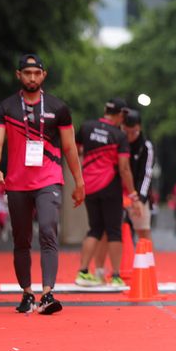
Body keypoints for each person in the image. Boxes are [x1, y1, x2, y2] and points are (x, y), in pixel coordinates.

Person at [0, 54, 85, 314]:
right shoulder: (6, 107)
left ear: (44, 75)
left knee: (47, 229)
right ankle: (27, 293)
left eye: (36, 73)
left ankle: (47, 293)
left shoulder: (58, 108)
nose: (32, 77)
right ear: (18, 75)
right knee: (21, 239)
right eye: (27, 73)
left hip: (48, 179)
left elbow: (69, 147)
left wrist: (79, 181)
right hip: (17, 182)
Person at [74, 98, 138, 287]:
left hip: (89, 185)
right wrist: (132, 193)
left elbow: (74, 151)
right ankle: (116, 276)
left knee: (94, 229)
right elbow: (124, 168)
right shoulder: (119, 136)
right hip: (110, 186)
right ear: (120, 114)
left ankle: (83, 272)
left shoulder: (86, 127)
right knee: (114, 231)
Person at [122, 109, 154, 240]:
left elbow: (147, 174)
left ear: (139, 127)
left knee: (143, 229)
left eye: (133, 132)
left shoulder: (145, 146)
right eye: (126, 132)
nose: (130, 136)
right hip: (119, 192)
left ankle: (146, 253)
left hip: (138, 191)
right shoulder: (118, 141)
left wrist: (140, 199)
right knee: (115, 232)